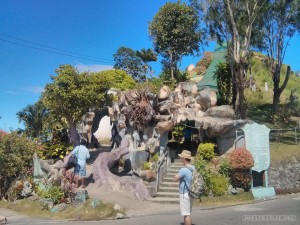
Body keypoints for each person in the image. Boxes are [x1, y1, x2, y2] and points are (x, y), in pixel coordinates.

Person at [174, 150, 195, 225]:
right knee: (188, 212)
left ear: (184, 159)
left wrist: (176, 175)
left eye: (181, 157)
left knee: (186, 214)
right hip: (191, 192)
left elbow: (175, 178)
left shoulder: (183, 169)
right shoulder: (193, 167)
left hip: (185, 193)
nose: (180, 158)